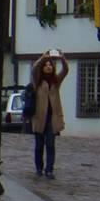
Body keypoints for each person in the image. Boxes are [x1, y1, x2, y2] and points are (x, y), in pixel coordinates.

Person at [30, 51, 69, 179]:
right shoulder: (37, 80)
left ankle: (49, 169)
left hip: (52, 118)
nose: (48, 67)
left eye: (50, 65)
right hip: (40, 118)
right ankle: (39, 168)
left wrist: (62, 58)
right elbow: (34, 69)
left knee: (50, 144)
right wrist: (43, 58)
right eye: (46, 65)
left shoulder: (56, 81)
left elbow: (65, 70)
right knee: (39, 145)